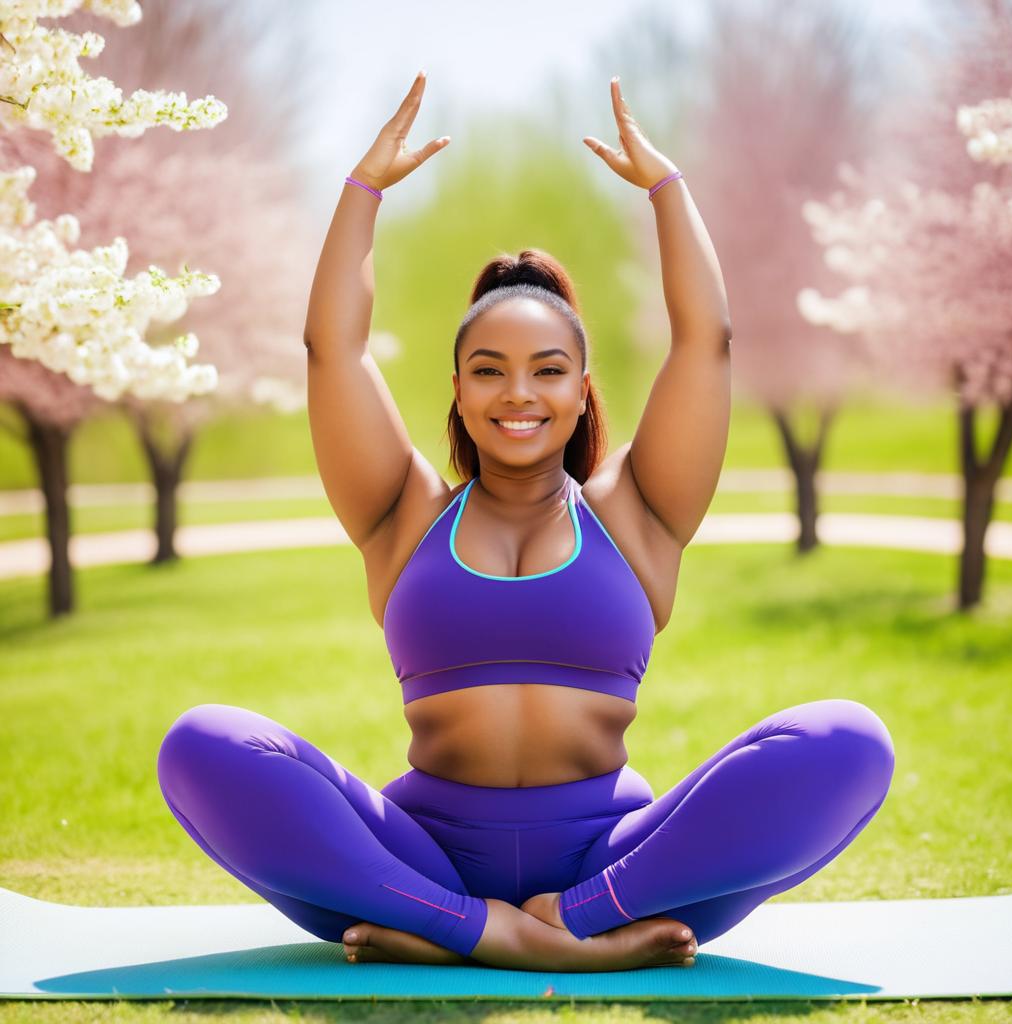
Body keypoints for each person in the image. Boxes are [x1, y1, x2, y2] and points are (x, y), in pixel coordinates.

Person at [156, 72, 895, 973]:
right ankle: (510, 935)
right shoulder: (401, 511)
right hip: (416, 861)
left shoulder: (638, 514)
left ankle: (557, 921)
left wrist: (668, 189)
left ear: (583, 391)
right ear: (457, 389)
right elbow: (332, 350)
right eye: (487, 370)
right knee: (201, 743)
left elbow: (707, 341)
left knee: (851, 740)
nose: (518, 394)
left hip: (618, 863)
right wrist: (362, 192)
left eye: (548, 370)